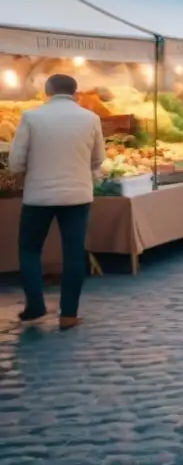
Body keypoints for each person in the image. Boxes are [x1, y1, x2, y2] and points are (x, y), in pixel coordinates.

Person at [9, 74, 104, 329]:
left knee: (29, 249)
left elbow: (16, 161)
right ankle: (69, 315)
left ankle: (35, 306)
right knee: (73, 253)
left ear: (47, 91)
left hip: (38, 196)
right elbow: (98, 160)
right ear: (75, 91)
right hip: (77, 195)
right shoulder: (91, 118)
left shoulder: (31, 117)